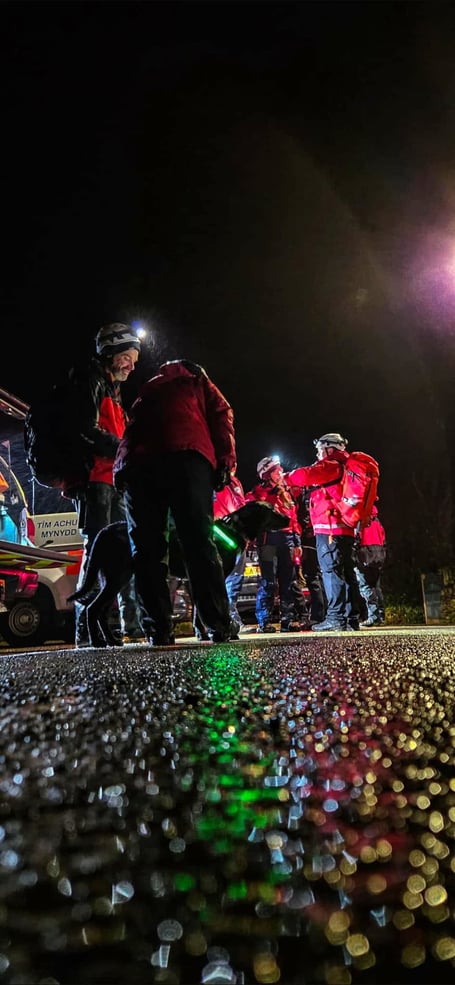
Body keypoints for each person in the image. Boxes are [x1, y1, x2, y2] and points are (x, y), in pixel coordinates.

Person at [113, 359, 238, 645]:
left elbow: (129, 434)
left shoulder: (146, 392)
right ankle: (218, 623)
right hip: (187, 456)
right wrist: (225, 462)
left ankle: (157, 628)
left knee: (146, 548)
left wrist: (119, 471)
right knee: (198, 540)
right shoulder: (197, 379)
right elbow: (222, 414)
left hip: (137, 466)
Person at [69, 323, 145, 647]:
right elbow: (82, 429)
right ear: (111, 352)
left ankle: (119, 627)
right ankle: (88, 629)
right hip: (96, 483)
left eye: (134, 359)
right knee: (98, 551)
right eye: (128, 357)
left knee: (121, 555)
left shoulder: (111, 388)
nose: (132, 365)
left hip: (113, 482)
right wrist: (122, 449)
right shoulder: (89, 380)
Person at [285, 433, 362, 631]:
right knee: (346, 572)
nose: (318, 454)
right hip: (343, 527)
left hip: (329, 527)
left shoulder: (332, 465)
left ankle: (336, 617)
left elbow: (305, 475)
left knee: (331, 571)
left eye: (320, 449)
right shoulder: (345, 466)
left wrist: (286, 477)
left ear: (330, 448)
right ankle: (351, 618)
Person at [245, 456, 303, 633]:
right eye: (276, 471)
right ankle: (265, 621)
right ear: (267, 474)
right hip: (268, 541)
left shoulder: (287, 493)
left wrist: (297, 542)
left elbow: (293, 519)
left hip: (287, 541)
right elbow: (255, 515)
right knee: (269, 582)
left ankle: (288, 619)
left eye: (280, 470)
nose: (281, 473)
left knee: (288, 581)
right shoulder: (257, 493)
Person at [213, 471, 249, 634]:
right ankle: (224, 619)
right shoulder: (212, 477)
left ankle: (231, 617)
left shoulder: (235, 482)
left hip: (236, 535)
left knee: (235, 579)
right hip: (219, 533)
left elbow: (241, 505)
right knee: (220, 577)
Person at [354, 503, 387, 627]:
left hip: (365, 554)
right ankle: (380, 614)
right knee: (376, 586)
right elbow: (384, 540)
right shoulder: (377, 522)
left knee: (365, 586)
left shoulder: (361, 521)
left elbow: (357, 538)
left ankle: (373, 616)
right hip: (378, 556)